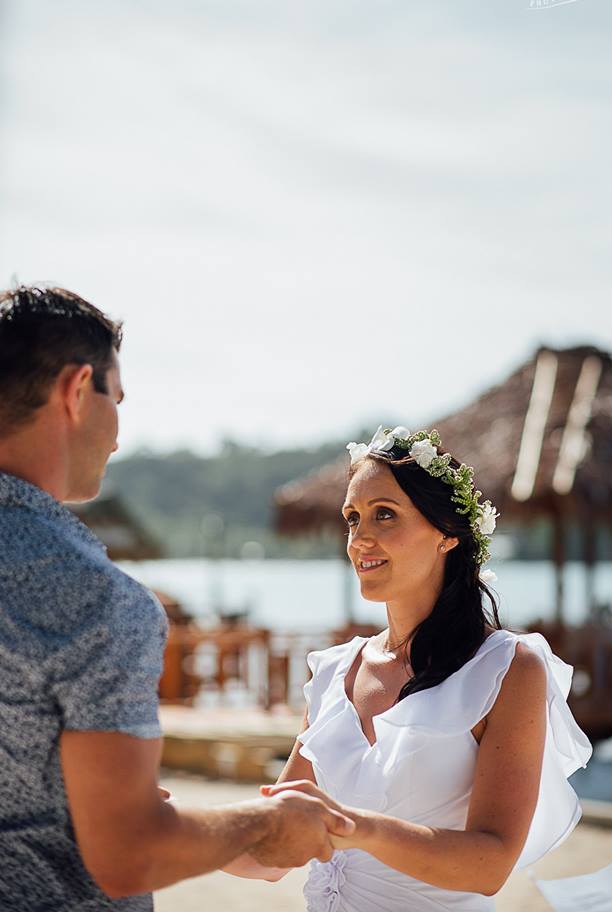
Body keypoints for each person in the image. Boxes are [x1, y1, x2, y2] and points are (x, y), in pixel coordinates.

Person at [0, 285, 354, 912]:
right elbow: (129, 854)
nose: (117, 434)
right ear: (77, 390)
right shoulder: (93, 599)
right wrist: (269, 823)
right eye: (119, 399)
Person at [226, 425, 593, 910]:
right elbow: (272, 857)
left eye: (385, 515)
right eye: (352, 519)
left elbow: (490, 866)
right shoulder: (335, 672)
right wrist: (168, 826)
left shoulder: (507, 669)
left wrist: (354, 829)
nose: (361, 539)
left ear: (447, 534)